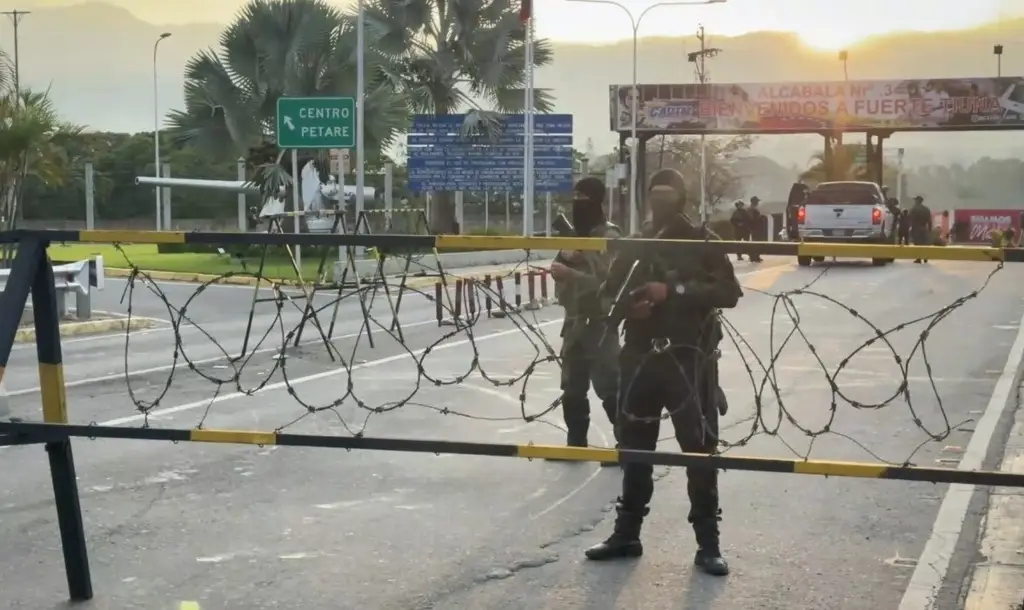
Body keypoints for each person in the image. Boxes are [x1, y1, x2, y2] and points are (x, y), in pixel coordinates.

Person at [584, 168, 742, 577]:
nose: (659, 200)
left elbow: (728, 292)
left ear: (682, 197)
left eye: (667, 194)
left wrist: (673, 292)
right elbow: (608, 294)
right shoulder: (637, 242)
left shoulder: (702, 241)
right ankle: (627, 534)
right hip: (640, 358)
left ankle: (709, 545)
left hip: (688, 358)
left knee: (699, 450)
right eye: (653, 193)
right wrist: (627, 308)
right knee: (635, 451)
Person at [548, 177, 622, 456]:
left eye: (583, 198)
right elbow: (560, 277)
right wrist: (564, 267)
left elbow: (611, 281)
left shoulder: (610, 236)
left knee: (609, 385)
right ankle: (575, 443)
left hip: (600, 322)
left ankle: (625, 444)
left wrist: (577, 267)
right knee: (572, 387)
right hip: (575, 321)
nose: (578, 203)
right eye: (575, 197)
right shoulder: (573, 236)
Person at [908, 195, 933, 263]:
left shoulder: (914, 209)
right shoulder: (926, 209)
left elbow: (910, 219)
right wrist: (929, 231)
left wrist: (910, 228)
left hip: (916, 228)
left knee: (917, 244)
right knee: (924, 243)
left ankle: (918, 258)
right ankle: (925, 257)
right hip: (924, 228)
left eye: (915, 200)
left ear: (917, 201)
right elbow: (929, 221)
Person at [747, 196, 764, 262]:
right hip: (754, 229)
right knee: (755, 243)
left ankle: (755, 256)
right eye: (757, 201)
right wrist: (759, 218)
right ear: (754, 202)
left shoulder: (752, 209)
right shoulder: (751, 209)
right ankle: (754, 257)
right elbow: (751, 219)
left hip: (754, 228)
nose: (758, 203)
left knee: (756, 243)